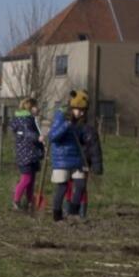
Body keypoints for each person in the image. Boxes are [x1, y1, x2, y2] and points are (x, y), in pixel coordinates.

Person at [48, 89, 88, 222]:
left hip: (76, 158)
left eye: (84, 110)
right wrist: (66, 125)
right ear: (73, 107)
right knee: (62, 187)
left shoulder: (78, 120)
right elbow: (53, 137)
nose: (82, 113)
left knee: (81, 185)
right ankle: (57, 215)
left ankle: (73, 213)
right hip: (62, 158)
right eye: (80, 110)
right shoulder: (61, 116)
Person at [9, 97, 45, 211]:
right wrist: (38, 137)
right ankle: (16, 200)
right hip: (26, 154)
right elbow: (28, 133)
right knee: (26, 179)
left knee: (31, 181)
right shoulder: (25, 120)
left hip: (31, 154)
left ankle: (30, 202)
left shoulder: (30, 119)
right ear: (30, 107)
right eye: (36, 106)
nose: (38, 108)